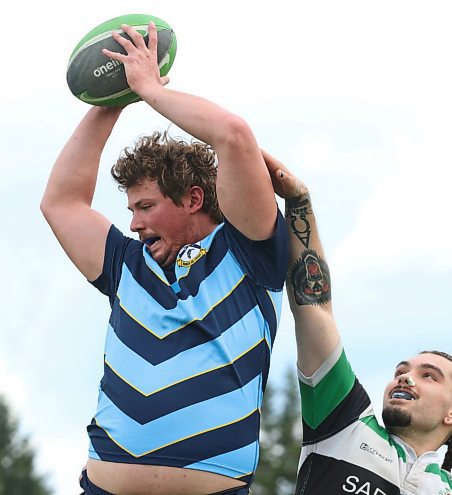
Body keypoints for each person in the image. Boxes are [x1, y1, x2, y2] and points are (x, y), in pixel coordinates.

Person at [41, 22, 288, 495]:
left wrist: (149, 89)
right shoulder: (127, 266)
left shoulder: (249, 251)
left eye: (146, 207)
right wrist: (112, 100)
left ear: (194, 198)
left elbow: (233, 135)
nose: (133, 224)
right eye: (131, 209)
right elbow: (61, 203)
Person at [262, 151, 452, 495]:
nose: (404, 376)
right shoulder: (344, 422)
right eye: (400, 370)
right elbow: (313, 306)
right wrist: (299, 201)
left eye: (429, 375)